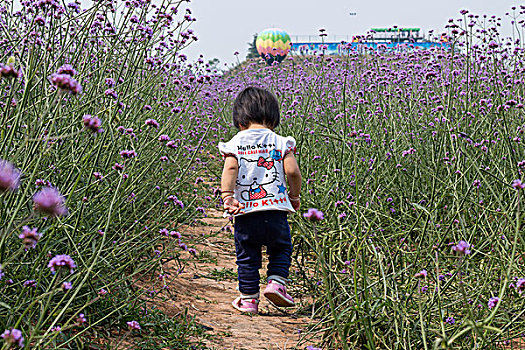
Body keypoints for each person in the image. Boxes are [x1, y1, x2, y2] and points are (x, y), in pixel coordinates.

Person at [218, 86, 302, 314]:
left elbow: (231, 168)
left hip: (245, 211)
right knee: (281, 247)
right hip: (275, 210)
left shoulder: (234, 143)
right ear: (273, 118)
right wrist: (294, 196)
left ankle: (248, 301)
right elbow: (292, 172)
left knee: (247, 255)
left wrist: (227, 197)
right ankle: (276, 283)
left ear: (240, 120)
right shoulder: (281, 141)